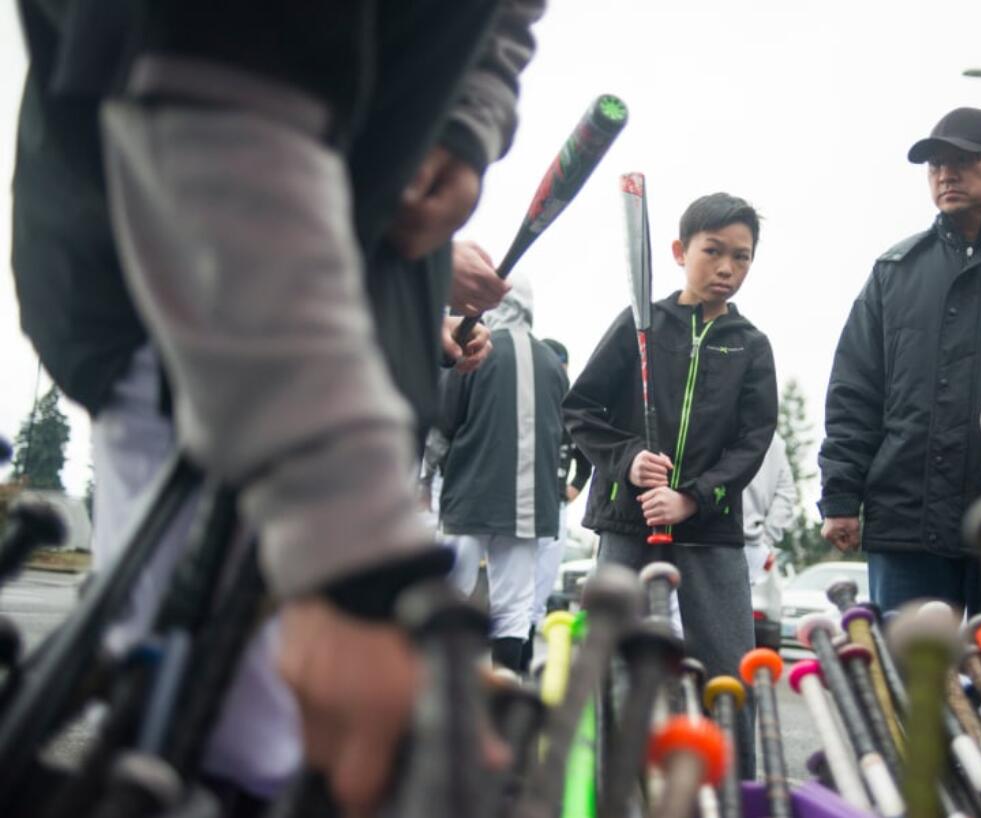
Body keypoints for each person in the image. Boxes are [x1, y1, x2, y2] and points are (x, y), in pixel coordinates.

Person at [11, 0, 542, 813]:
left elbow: (493, 19)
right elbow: (208, 89)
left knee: (275, 753)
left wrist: (464, 118)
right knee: (233, 752)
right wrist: (350, 558)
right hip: (190, 299)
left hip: (346, 305)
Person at [564, 192, 777, 778]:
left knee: (727, 674)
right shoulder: (642, 324)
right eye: (713, 252)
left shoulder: (751, 346)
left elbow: (752, 442)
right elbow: (581, 410)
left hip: (709, 530)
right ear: (681, 251)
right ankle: (601, 789)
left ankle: (736, 792)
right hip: (628, 526)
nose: (728, 269)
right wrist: (628, 460)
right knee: (609, 664)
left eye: (742, 257)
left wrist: (694, 496)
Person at [817, 107, 981, 615]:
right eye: (935, 163)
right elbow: (855, 390)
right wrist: (841, 496)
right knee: (908, 686)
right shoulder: (895, 271)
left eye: (964, 158)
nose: (946, 173)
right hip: (906, 521)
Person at [436, 281, 569, 672]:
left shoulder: (476, 349)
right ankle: (506, 696)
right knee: (515, 606)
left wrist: (429, 477)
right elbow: (564, 432)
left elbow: (445, 419)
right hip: (530, 503)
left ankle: (442, 687)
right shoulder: (551, 363)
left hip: (470, 492)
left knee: (450, 595)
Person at [523, 338, 592, 670]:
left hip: (555, 508)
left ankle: (521, 665)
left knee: (538, 594)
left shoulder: (570, 408)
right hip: (520, 503)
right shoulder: (525, 401)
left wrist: (574, 488)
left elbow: (587, 460)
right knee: (513, 592)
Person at [742, 431, 797, 584]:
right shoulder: (774, 439)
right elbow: (786, 493)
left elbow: (786, 493)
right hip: (754, 545)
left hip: (710, 540)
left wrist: (765, 540)